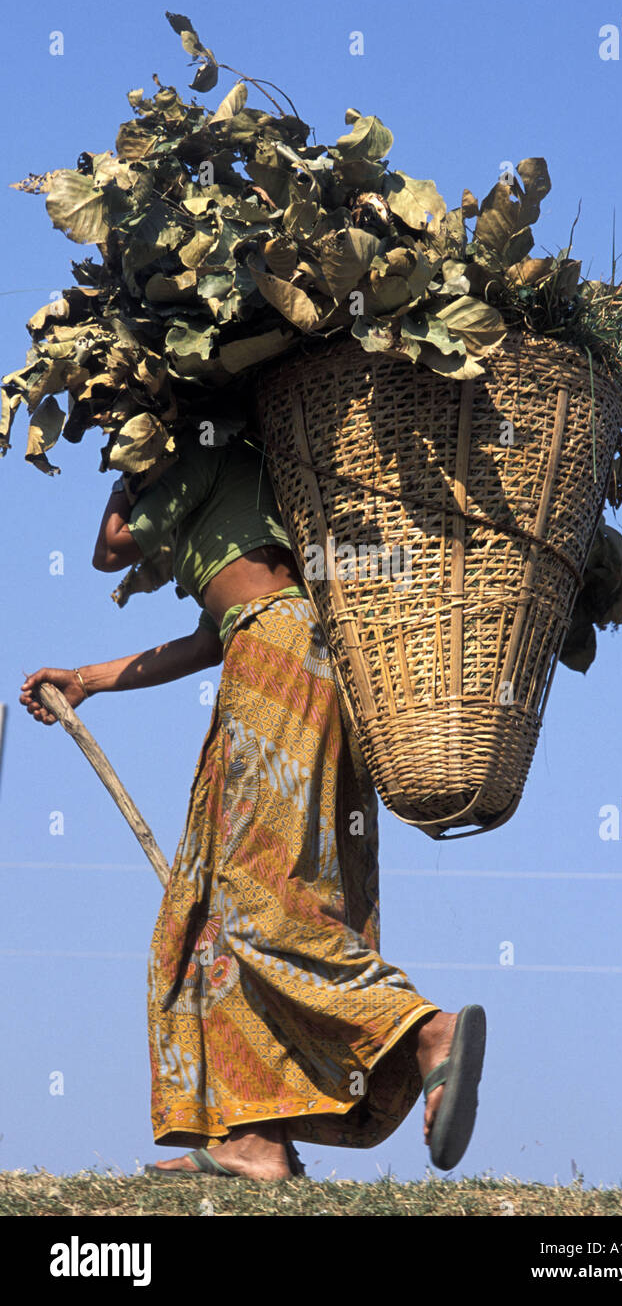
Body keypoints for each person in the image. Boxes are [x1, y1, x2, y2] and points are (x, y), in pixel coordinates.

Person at [20, 424, 486, 1181]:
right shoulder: (248, 496)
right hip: (272, 659)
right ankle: (252, 1138)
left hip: (280, 666)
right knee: (203, 918)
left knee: (259, 897)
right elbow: (211, 638)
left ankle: (421, 1030)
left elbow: (109, 547)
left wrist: (127, 476)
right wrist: (88, 678)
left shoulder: (201, 457)